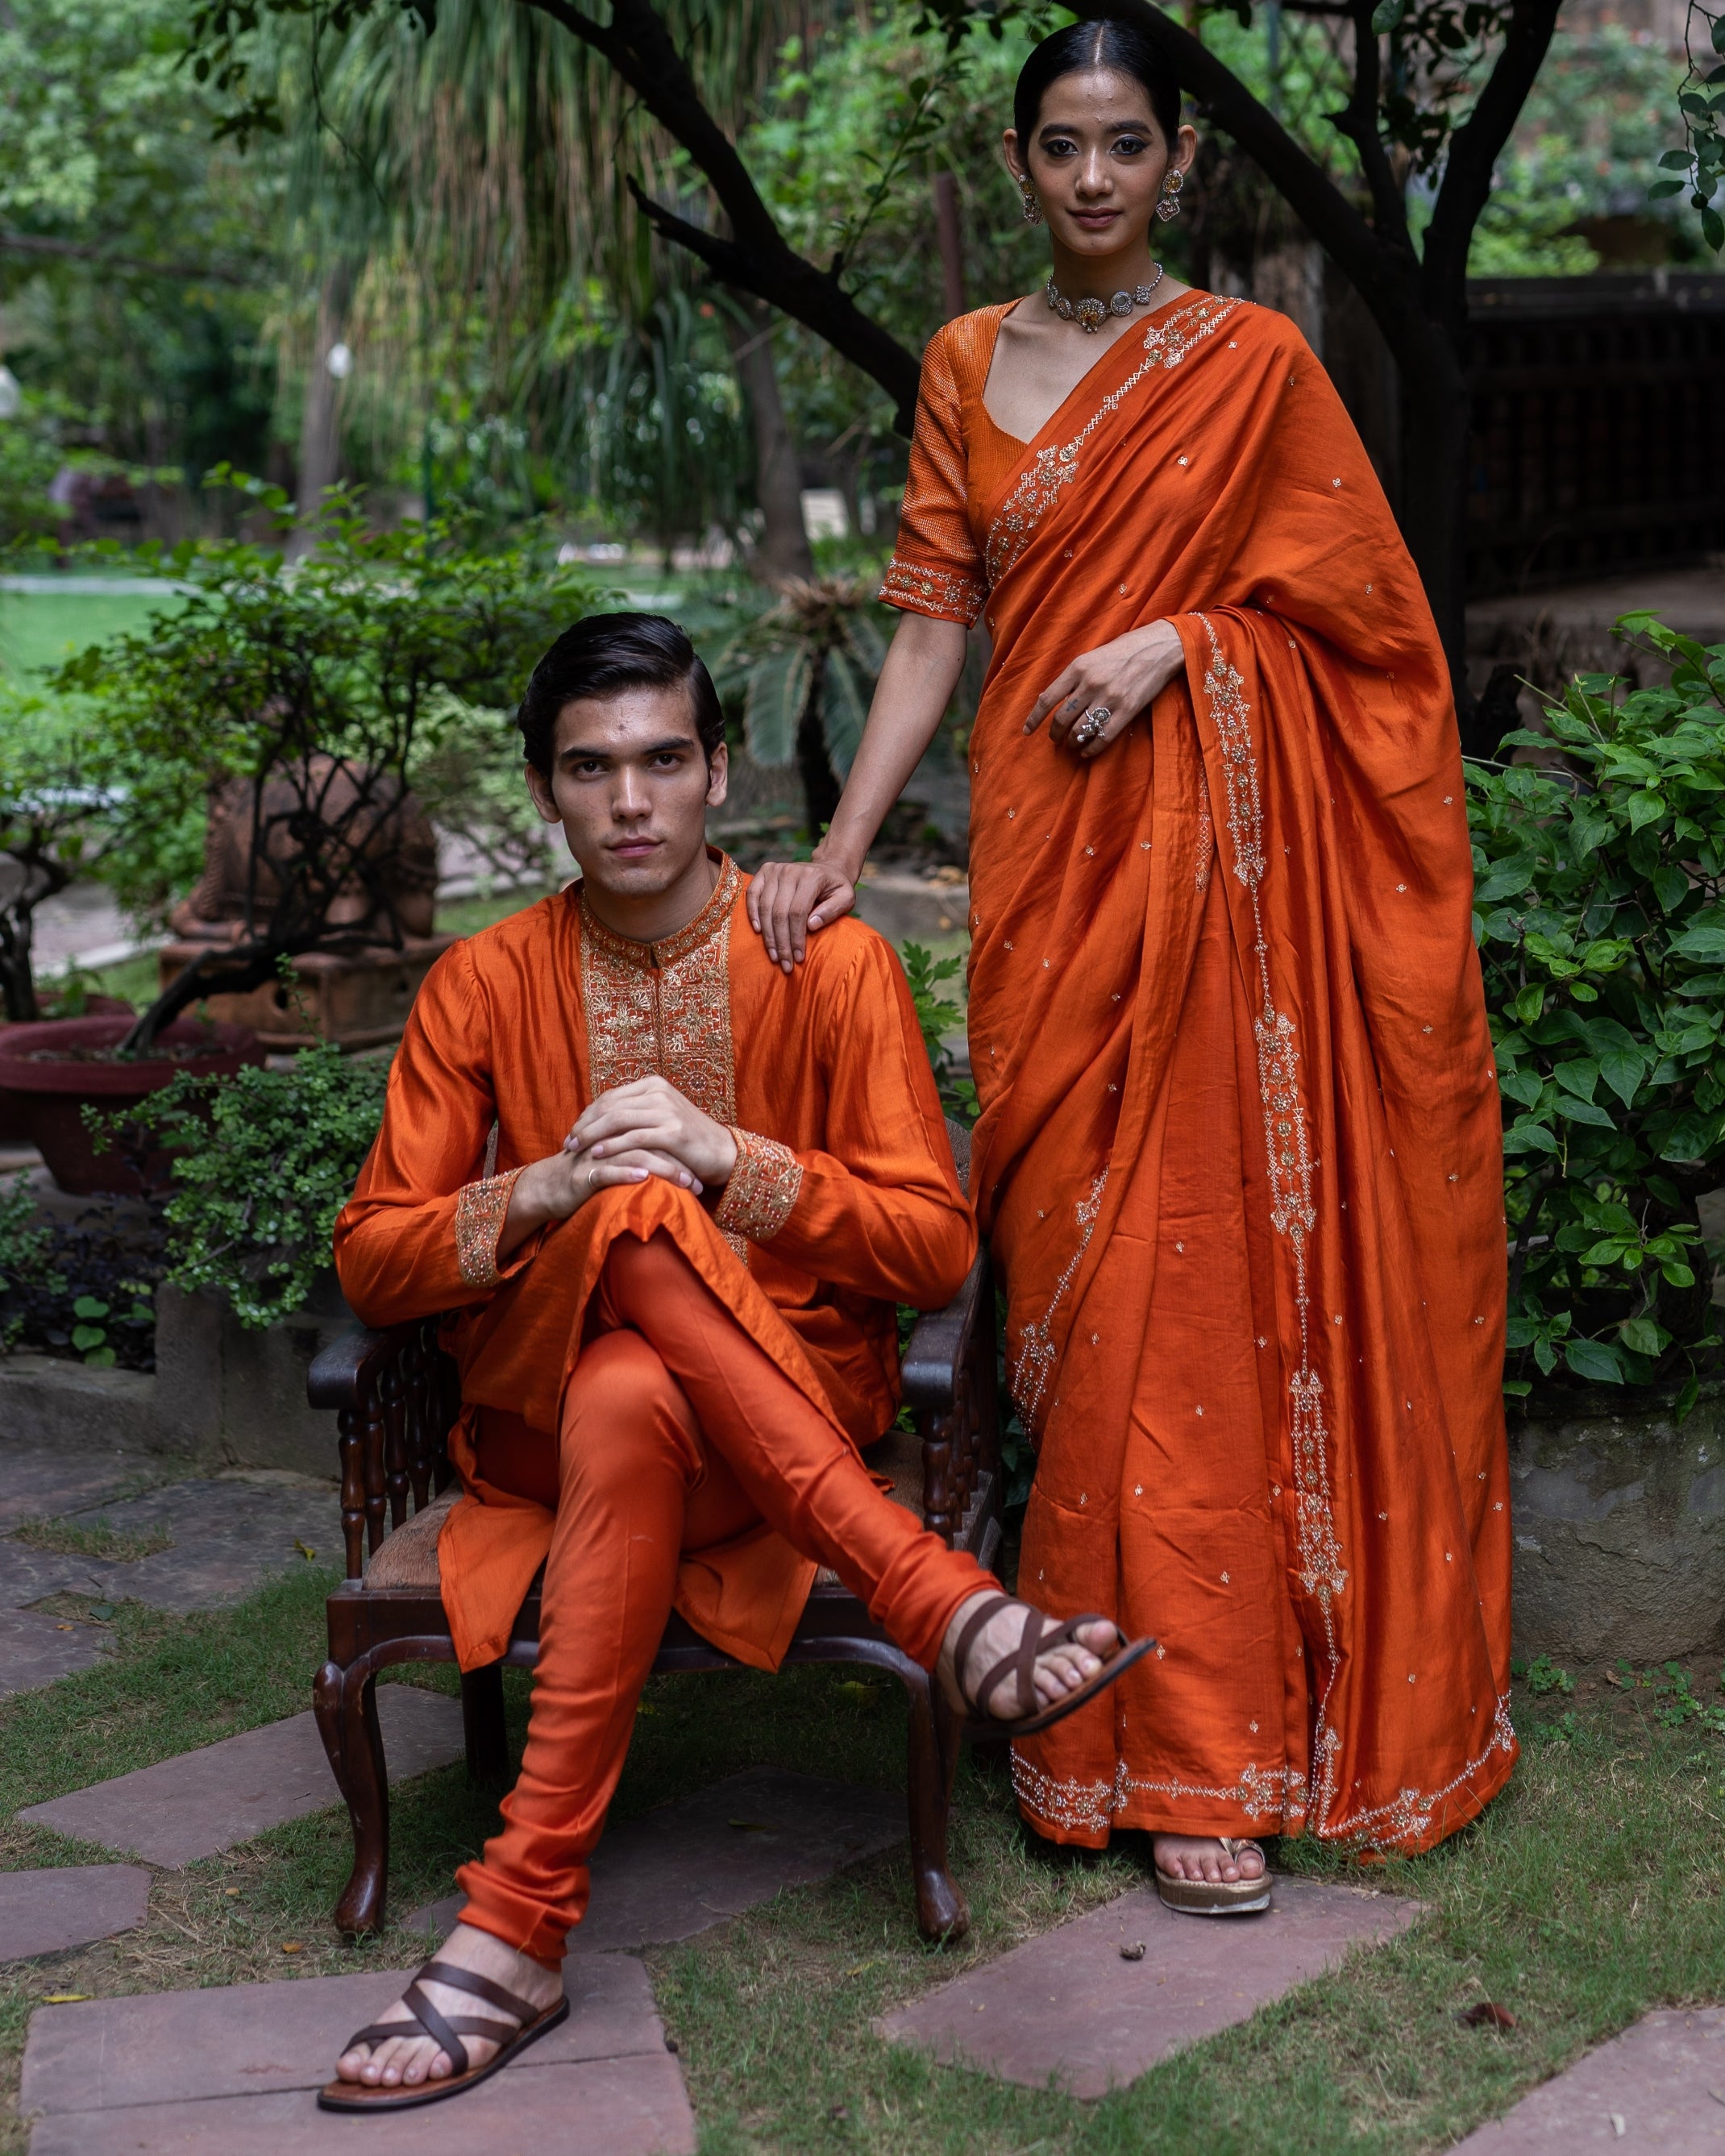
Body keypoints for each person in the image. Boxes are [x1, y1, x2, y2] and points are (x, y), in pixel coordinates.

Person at [747, 19, 1514, 1913]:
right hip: (1044, 871)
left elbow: (1365, 628)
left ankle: (1210, 1762)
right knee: (1083, 1303)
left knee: (1213, 1291)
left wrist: (1189, 644)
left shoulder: (1249, 364)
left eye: (1124, 146)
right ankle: (1088, 1728)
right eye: (1059, 148)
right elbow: (931, 627)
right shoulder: (957, 363)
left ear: (1177, 161)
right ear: (1015, 164)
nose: (1091, 179)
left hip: (1221, 874)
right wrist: (838, 854)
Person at [321, 612, 1149, 2109]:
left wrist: (735, 1162)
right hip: (533, 1428)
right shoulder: (481, 982)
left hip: (775, 1432)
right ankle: (935, 1599)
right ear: (545, 792)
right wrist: (550, 1191)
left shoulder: (827, 964)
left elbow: (932, 1251)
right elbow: (374, 1257)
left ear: (718, 771)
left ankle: (511, 1933)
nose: (628, 801)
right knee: (624, 1220)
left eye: (659, 761)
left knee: (641, 1353)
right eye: (590, 769)